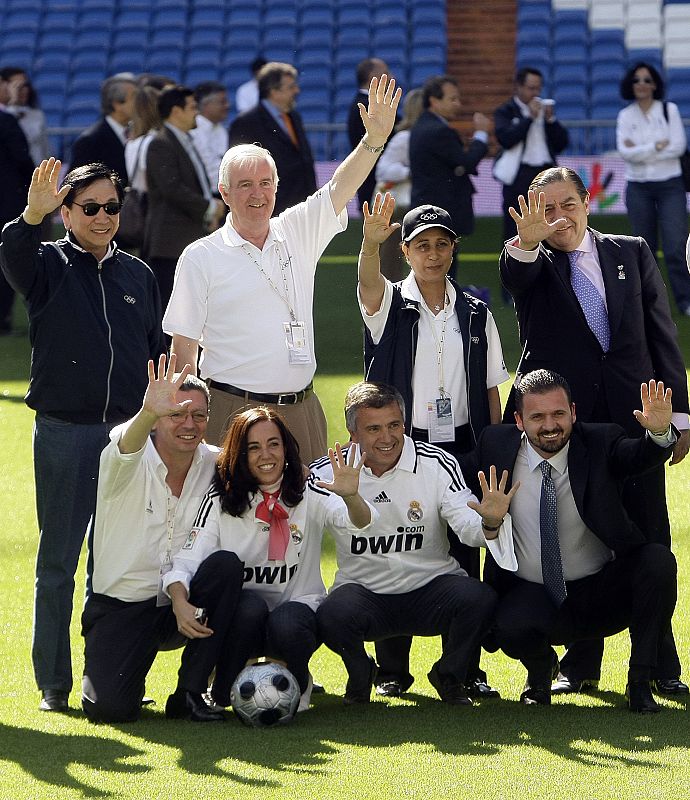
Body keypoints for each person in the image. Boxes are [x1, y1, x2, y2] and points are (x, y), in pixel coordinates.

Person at [500, 167, 689, 696]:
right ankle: (581, 665)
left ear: (588, 202)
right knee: (578, 534)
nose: (558, 217)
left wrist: (680, 415)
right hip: (571, 426)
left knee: (651, 535)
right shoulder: (531, 258)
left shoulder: (631, 250)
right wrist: (525, 244)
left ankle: (660, 664)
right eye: (546, 208)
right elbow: (515, 279)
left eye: (567, 204)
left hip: (638, 418)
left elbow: (661, 330)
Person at [165, 73, 402, 463]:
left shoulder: (296, 229)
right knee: (236, 520)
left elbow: (339, 188)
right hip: (232, 414)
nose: (257, 194)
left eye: (264, 183)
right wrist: (185, 418)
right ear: (224, 193)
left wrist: (373, 140)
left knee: (305, 520)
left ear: (276, 187)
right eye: (244, 185)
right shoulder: (200, 255)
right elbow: (184, 350)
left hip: (301, 411)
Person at [0, 157, 166, 712]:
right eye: (89, 207)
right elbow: (13, 257)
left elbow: (154, 355)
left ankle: (107, 678)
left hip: (127, 438)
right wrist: (30, 215)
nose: (102, 217)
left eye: (111, 207)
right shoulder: (45, 263)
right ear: (66, 212)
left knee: (114, 565)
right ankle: (53, 681)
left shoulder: (138, 275)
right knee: (59, 563)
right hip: (66, 433)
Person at [358, 195, 510, 697]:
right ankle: (392, 670)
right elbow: (366, 284)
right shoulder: (388, 304)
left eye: (443, 244)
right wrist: (368, 242)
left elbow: (491, 389)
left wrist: (489, 448)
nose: (434, 253)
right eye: (422, 245)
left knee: (466, 550)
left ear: (453, 249)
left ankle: (463, 667)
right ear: (405, 251)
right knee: (398, 546)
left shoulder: (476, 311)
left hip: (463, 447)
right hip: (402, 447)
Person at [462, 370, 678, 712]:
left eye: (558, 414)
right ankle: (539, 672)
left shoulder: (601, 441)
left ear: (573, 413)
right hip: (532, 595)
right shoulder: (495, 446)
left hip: (601, 593)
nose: (550, 425)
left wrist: (659, 433)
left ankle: (640, 680)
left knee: (658, 561)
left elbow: (639, 457)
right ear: (518, 420)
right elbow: (449, 477)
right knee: (507, 625)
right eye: (537, 416)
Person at [313, 381, 518, 705]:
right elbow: (343, 519)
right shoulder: (328, 471)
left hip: (430, 589)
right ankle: (361, 671)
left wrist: (489, 522)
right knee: (330, 614)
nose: (387, 438)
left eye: (395, 425)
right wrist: (351, 496)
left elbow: (466, 525)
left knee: (479, 598)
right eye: (374, 428)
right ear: (353, 433)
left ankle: (449, 675)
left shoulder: (436, 463)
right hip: (365, 594)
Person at [162, 407, 373, 714]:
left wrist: (352, 497)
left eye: (273, 444)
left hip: (295, 617)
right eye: (254, 447)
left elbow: (359, 523)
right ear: (240, 454)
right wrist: (179, 600)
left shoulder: (308, 488)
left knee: (286, 621)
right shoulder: (220, 499)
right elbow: (187, 562)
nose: (266, 455)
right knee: (249, 605)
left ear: (286, 448)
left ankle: (296, 681)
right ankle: (223, 687)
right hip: (241, 622)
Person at [82, 354, 239, 723]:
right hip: (123, 605)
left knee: (226, 569)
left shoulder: (216, 464)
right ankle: (123, 679)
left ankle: (190, 693)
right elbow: (127, 442)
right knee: (111, 710)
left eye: (198, 416)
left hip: (183, 600)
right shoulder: (123, 459)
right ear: (156, 421)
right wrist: (148, 411)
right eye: (176, 414)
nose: (189, 424)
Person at [617, 62, 690, 317]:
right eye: (637, 80)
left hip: (671, 184)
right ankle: (650, 302)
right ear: (631, 85)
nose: (642, 84)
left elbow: (678, 147)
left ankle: (685, 300)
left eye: (647, 80)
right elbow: (625, 153)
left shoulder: (669, 110)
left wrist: (640, 149)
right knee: (644, 248)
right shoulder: (626, 115)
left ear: (655, 85)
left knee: (675, 246)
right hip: (638, 187)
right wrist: (656, 147)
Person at [145, 85, 226, 311]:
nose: (197, 113)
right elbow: (172, 189)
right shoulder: (161, 143)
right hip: (170, 244)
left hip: (186, 239)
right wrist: (209, 208)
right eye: (192, 107)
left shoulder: (183, 140)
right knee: (172, 312)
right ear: (176, 111)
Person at [409, 74, 489, 273]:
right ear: (434, 101)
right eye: (452, 99)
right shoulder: (439, 131)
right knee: (442, 269)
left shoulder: (422, 126)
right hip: (441, 212)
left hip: (427, 209)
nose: (458, 104)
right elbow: (467, 162)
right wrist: (481, 134)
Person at [493, 67, 568, 262]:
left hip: (546, 173)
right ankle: (511, 282)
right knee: (515, 227)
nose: (535, 93)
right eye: (530, 88)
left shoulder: (545, 111)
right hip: (519, 175)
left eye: (538, 88)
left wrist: (551, 120)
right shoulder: (506, 110)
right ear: (518, 87)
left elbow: (561, 144)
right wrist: (528, 119)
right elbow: (506, 139)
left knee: (551, 222)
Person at [229, 62, 317, 216]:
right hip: (270, 209)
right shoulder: (246, 122)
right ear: (273, 92)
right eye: (291, 87)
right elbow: (240, 169)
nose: (297, 90)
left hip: (301, 207)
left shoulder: (293, 116)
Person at [373, 87, 423, 280]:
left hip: (412, 205)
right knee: (391, 257)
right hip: (399, 208)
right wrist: (410, 173)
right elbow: (383, 170)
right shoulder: (404, 138)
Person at [0, 96, 33, 334]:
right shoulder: (6, 121)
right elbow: (23, 159)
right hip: (6, 202)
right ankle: (2, 318)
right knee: (5, 260)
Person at [69, 74, 137, 184]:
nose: (140, 103)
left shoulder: (135, 134)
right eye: (135, 97)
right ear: (117, 104)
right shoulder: (90, 141)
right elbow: (77, 184)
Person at [348, 57, 391, 214]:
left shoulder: (364, 103)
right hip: (373, 179)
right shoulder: (368, 106)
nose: (391, 78)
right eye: (386, 73)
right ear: (373, 77)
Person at [3, 67, 50, 166]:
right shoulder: (4, 115)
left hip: (35, 171)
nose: (22, 91)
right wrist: (13, 104)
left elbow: (45, 148)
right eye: (16, 86)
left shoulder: (36, 115)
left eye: (25, 85)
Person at [190, 80, 230, 194]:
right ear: (206, 105)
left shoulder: (221, 129)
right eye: (222, 102)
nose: (227, 106)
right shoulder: (194, 131)